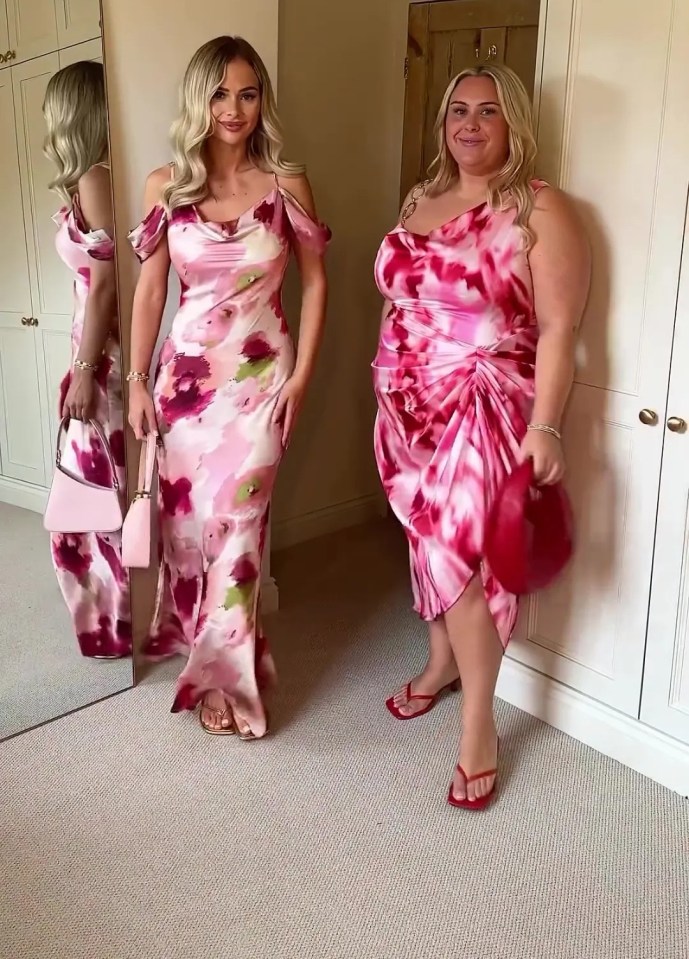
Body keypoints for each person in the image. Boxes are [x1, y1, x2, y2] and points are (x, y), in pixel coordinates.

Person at [372, 64, 590, 808]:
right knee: (424, 543)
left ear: (513, 124)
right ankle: (440, 662)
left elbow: (561, 327)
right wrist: (388, 384)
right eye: (456, 111)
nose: (468, 124)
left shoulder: (537, 208)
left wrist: (547, 425)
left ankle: (478, 726)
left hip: (483, 402)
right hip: (407, 406)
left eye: (487, 111)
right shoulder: (418, 198)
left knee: (465, 561)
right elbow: (399, 298)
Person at [127, 36, 329, 739]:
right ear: (197, 101)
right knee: (188, 534)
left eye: (246, 93)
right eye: (218, 94)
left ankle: (228, 683)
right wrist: (134, 380)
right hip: (183, 387)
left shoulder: (285, 185)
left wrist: (301, 375)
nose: (234, 109)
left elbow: (317, 282)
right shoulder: (166, 187)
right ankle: (210, 655)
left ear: (261, 99)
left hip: (258, 386)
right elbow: (151, 291)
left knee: (239, 530)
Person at [44, 61, 131, 660]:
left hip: (100, 360)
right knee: (91, 495)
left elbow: (105, 287)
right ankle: (109, 623)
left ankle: (116, 624)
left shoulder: (98, 178)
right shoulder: (86, 181)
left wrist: (83, 370)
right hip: (90, 352)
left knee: (94, 500)